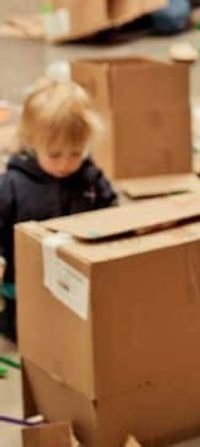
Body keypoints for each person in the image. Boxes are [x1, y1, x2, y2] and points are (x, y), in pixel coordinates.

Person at [0, 79, 116, 341]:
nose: (65, 163)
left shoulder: (90, 177)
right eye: (54, 154)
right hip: (24, 285)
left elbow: (112, 209)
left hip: (79, 279)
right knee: (27, 333)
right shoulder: (12, 185)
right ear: (31, 142)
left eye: (75, 153)